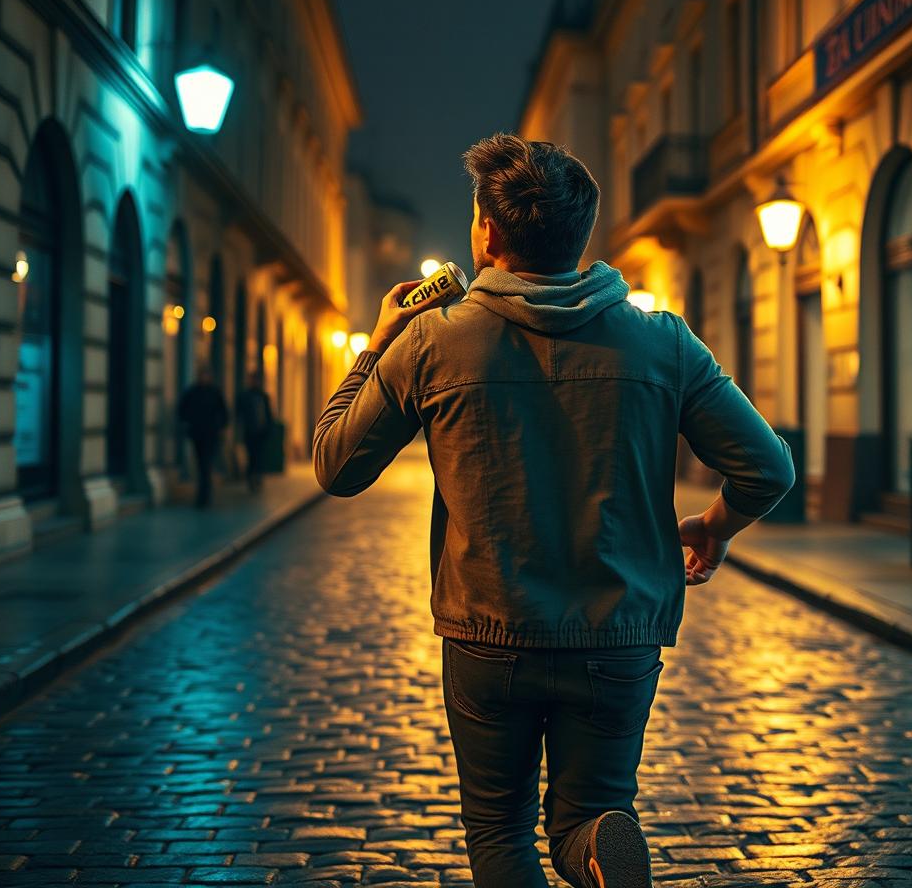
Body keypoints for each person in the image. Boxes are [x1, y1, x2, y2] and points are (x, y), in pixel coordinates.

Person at [313, 133, 795, 888]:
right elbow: (768, 467)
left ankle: (592, 839)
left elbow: (335, 465)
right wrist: (717, 526)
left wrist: (378, 343)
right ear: (581, 233)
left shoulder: (433, 342)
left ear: (489, 233)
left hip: (489, 633)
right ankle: (600, 841)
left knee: (499, 830)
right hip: (617, 636)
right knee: (588, 812)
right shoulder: (661, 342)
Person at [176, 366, 229, 508]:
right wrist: (189, 423)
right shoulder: (193, 392)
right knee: (201, 465)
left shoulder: (214, 392)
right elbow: (182, 410)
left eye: (205, 375)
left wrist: (220, 427)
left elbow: (224, 412)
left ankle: (204, 495)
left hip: (211, 435)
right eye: (201, 375)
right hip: (197, 434)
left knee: (206, 465)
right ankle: (203, 495)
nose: (203, 378)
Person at [236, 370, 272, 491]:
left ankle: (257, 477)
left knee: (259, 455)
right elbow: (239, 414)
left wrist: (268, 429)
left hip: (261, 432)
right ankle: (251, 477)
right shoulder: (244, 396)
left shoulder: (263, 396)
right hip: (249, 432)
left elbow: (268, 414)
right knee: (251, 455)